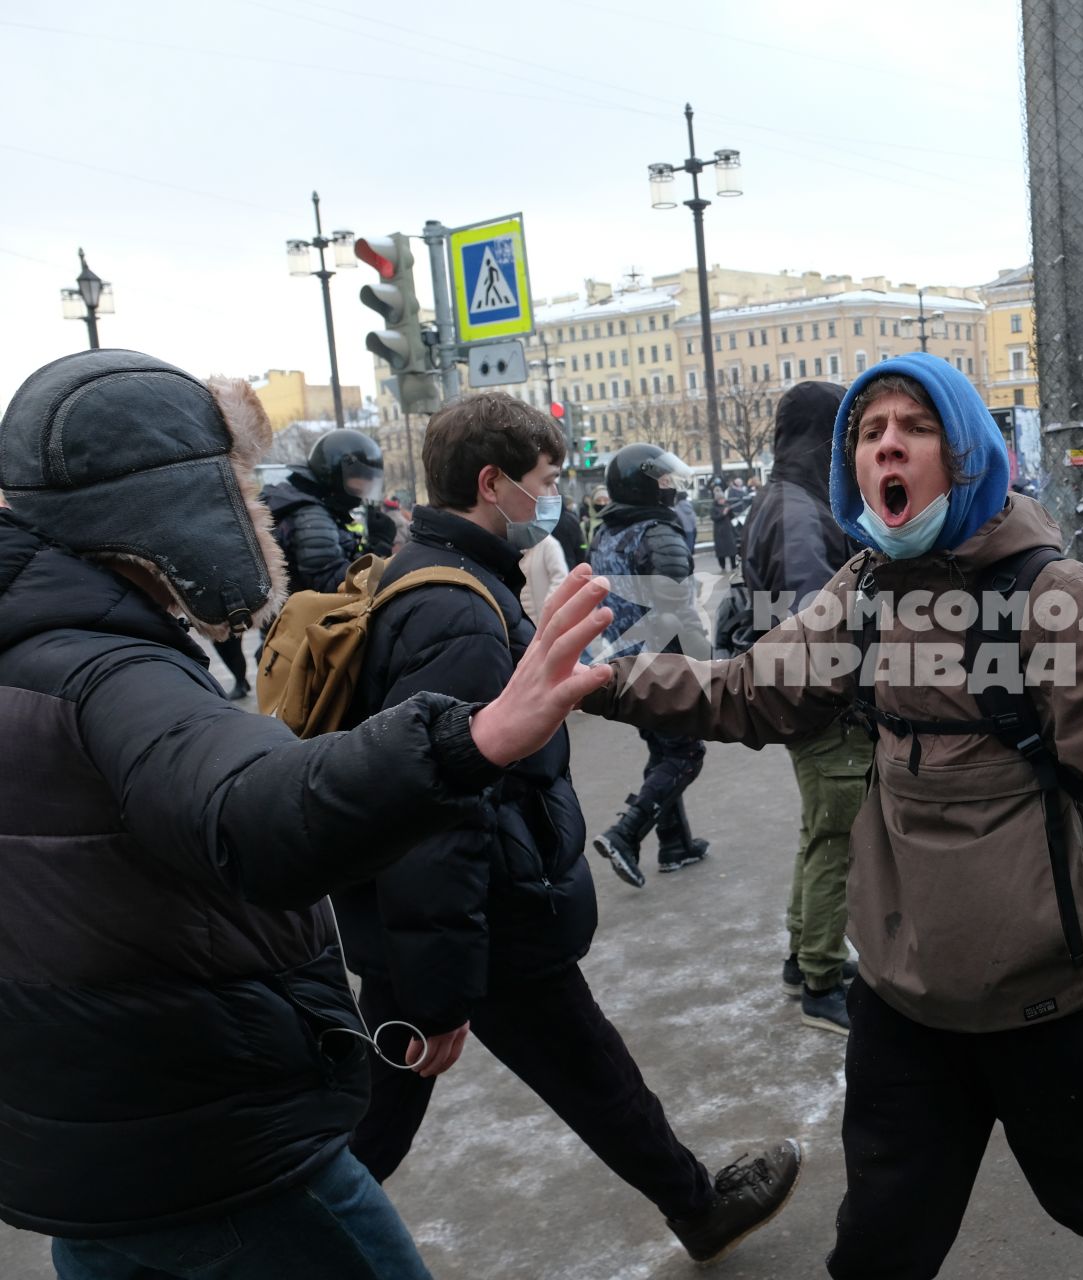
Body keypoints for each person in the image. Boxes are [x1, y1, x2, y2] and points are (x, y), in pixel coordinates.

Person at [582, 352, 1083, 1280]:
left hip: (1042, 995)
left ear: (965, 454)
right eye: (869, 432)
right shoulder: (864, 591)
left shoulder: (1054, 601)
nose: (886, 445)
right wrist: (607, 681)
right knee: (882, 1235)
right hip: (900, 991)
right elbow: (746, 692)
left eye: (914, 428)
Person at [0, 349, 612, 1278]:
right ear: (171, 501)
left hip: (79, 1152)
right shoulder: (104, 674)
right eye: (237, 486)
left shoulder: (32, 645)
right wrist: (468, 741)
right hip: (210, 1151)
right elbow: (250, 807)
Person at [341, 395, 797, 1264]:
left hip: (467, 912)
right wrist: (439, 987)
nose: (551, 501)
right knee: (536, 1083)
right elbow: (438, 805)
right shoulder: (453, 610)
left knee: (424, 1105)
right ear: (492, 483)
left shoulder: (438, 572)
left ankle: (695, 1203)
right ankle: (277, 1241)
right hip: (487, 913)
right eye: (544, 484)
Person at [740, 380, 871, 1032]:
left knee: (819, 830)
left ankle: (803, 953)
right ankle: (821, 979)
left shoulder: (786, 499)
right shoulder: (798, 512)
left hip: (802, 703)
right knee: (837, 841)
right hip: (825, 707)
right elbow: (815, 621)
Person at [590, 442, 714, 888]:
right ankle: (625, 833)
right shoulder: (657, 532)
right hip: (663, 664)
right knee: (685, 754)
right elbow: (678, 610)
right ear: (643, 485)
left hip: (625, 664)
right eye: (662, 479)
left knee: (663, 750)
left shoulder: (605, 533)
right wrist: (708, 664)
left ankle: (675, 845)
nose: (669, 487)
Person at [262, 428, 383, 595]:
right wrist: (380, 551)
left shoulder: (315, 505)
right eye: (361, 479)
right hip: (302, 618)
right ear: (335, 473)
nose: (364, 489)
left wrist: (372, 547)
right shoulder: (311, 516)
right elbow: (333, 584)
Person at [711, 477, 742, 571]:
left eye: (723, 499)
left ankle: (733, 565)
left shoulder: (727, 505)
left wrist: (730, 511)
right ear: (717, 500)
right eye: (720, 499)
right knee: (722, 551)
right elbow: (714, 518)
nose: (722, 500)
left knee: (732, 550)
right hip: (719, 531)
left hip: (728, 530)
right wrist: (722, 513)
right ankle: (723, 566)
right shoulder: (713, 508)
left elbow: (732, 517)